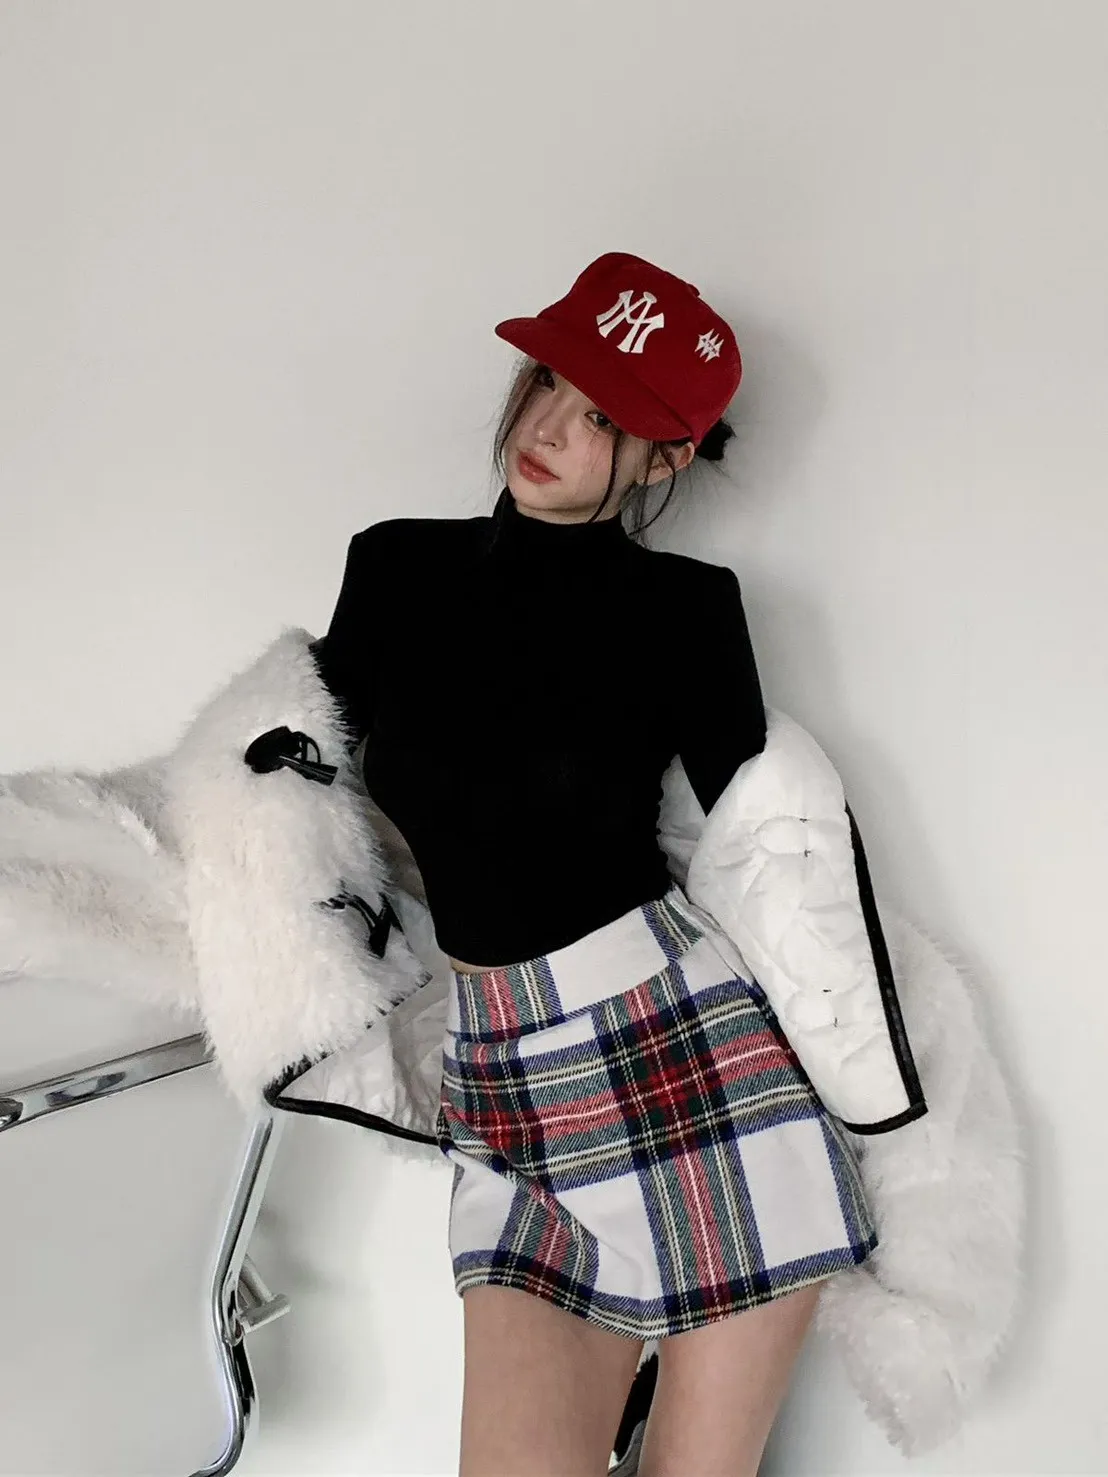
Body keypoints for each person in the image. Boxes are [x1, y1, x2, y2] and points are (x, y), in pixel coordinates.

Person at [313, 252, 878, 1477]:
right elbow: (294, 794)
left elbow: (764, 851)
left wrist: (888, 1083)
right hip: (500, 1079)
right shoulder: (394, 569)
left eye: (603, 418)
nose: (551, 429)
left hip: (690, 1068)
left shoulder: (690, 611)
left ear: (663, 462)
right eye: (546, 385)